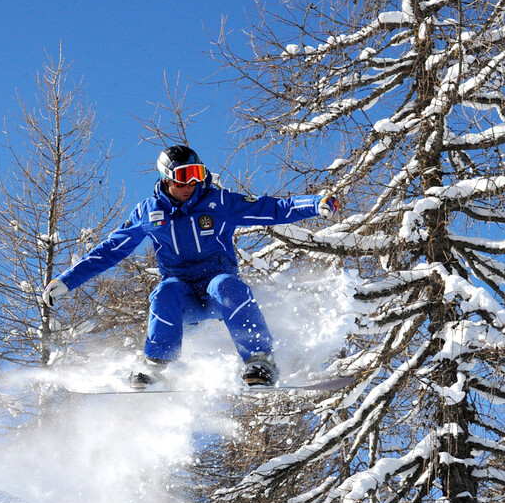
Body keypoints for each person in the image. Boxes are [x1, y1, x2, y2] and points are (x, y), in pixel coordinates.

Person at [41, 145, 337, 388]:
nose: (190, 184)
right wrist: (67, 281)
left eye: (196, 175)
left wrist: (314, 203)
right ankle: (156, 366)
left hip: (216, 287)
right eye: (183, 177)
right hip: (183, 295)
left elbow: (271, 208)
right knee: (164, 292)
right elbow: (110, 250)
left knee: (226, 285)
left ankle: (260, 360)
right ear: (166, 179)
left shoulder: (218, 202)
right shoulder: (148, 212)